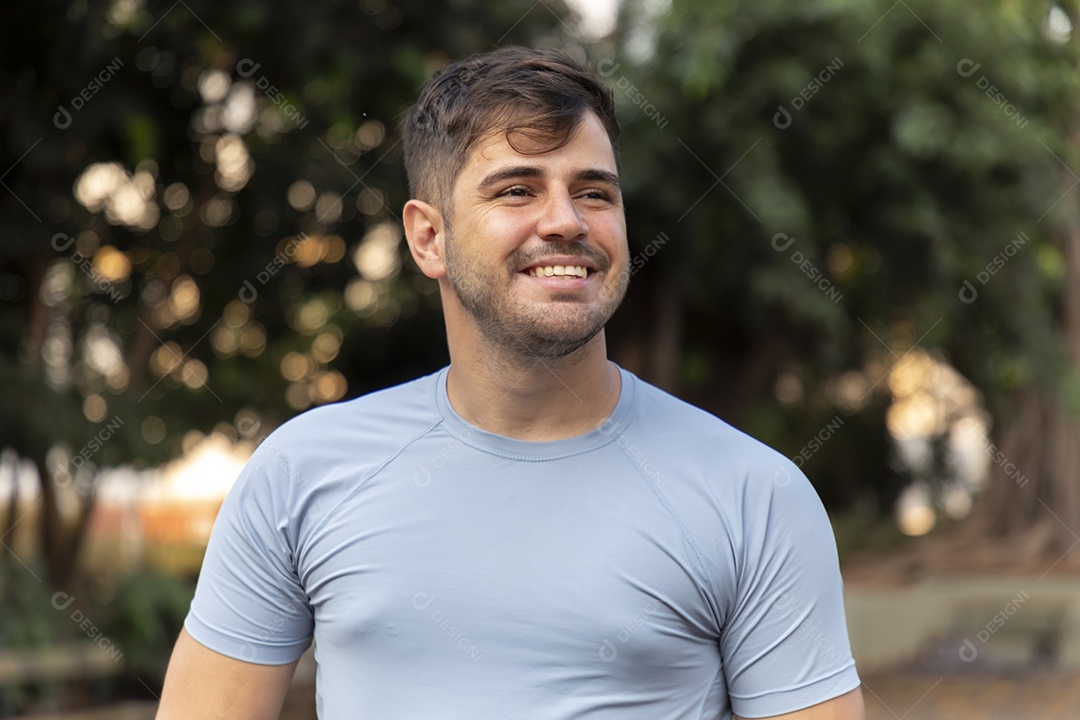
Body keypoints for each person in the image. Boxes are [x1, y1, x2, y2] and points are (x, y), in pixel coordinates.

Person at [156, 46, 865, 720]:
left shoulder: (753, 497)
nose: (565, 221)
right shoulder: (299, 473)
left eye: (593, 192)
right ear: (428, 238)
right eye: (518, 190)